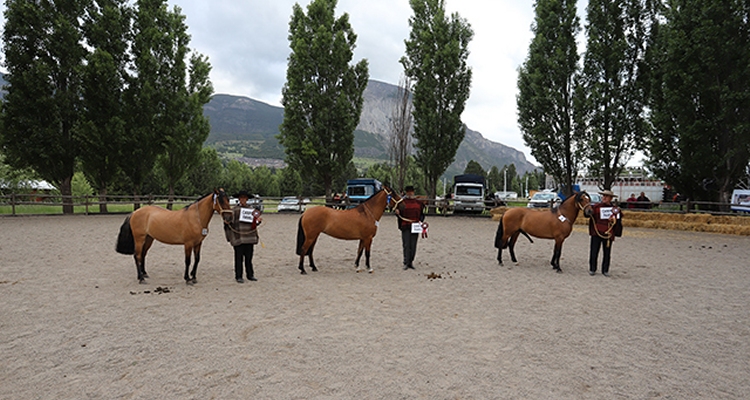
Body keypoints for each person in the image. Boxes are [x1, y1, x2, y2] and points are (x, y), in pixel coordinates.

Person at [224, 190, 262, 283]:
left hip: (249, 237)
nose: (243, 200)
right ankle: (239, 276)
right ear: (239, 199)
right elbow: (228, 222)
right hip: (239, 237)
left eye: (244, 198)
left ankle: (250, 275)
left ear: (247, 199)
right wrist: (227, 222)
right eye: (241, 198)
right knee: (238, 258)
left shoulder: (251, 210)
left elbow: (254, 224)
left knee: (249, 258)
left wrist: (258, 221)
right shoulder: (234, 210)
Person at [588, 190, 622, 277]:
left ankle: (605, 270)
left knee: (607, 253)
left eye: (606, 196)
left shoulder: (614, 209)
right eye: (603, 196)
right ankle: (592, 268)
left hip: (608, 233)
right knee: (594, 251)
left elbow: (618, 219)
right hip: (597, 232)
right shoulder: (596, 207)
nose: (604, 198)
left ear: (610, 198)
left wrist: (614, 220)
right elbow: (588, 215)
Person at [395, 185, 425, 270]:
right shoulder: (402, 202)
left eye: (411, 191)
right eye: (408, 192)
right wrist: (397, 213)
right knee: (406, 244)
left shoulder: (418, 203)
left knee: (413, 245)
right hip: (405, 225)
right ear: (406, 192)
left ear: (413, 192)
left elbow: (422, 214)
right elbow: (399, 214)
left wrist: (421, 222)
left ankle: (411, 261)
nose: (410, 193)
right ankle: (406, 262)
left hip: (415, 225)